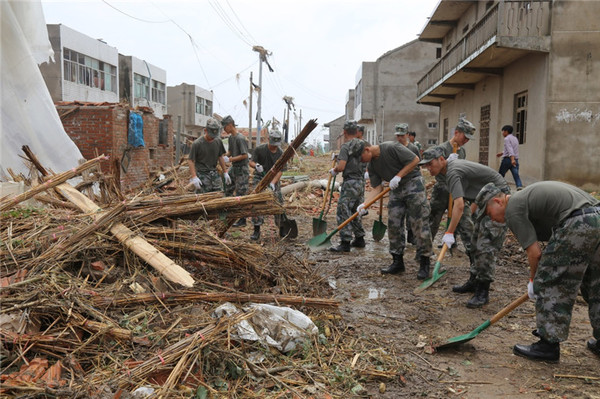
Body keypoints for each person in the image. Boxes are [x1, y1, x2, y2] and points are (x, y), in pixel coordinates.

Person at [480, 181, 600, 362]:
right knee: (595, 283)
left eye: (489, 214)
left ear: (498, 202)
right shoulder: (525, 198)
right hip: (596, 216)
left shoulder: (512, 208)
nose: (492, 220)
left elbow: (535, 254)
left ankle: (547, 346)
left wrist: (534, 281)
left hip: (578, 222)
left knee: (551, 282)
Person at [420, 146, 509, 307]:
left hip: (498, 197)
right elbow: (469, 196)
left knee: (485, 246)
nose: (428, 168)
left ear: (441, 159)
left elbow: (459, 205)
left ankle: (483, 292)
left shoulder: (453, 172)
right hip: (483, 197)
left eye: (430, 164)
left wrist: (449, 232)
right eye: (425, 165)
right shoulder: (446, 173)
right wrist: (474, 219)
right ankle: (474, 281)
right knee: (475, 242)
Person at [359, 140, 433, 279]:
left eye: (361, 158)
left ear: (367, 150)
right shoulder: (372, 165)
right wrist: (365, 204)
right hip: (396, 189)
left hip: (413, 184)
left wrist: (399, 175)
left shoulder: (391, 147)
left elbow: (415, 160)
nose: (362, 162)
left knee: (419, 223)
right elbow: (377, 188)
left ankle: (424, 262)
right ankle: (397, 261)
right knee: (394, 223)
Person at [428, 119, 475, 259]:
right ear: (456, 132)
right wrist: (446, 161)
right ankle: (424, 253)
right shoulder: (441, 149)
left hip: (457, 190)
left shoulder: (463, 151)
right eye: (464, 136)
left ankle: (475, 258)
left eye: (468, 138)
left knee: (467, 223)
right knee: (432, 222)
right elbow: (431, 167)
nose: (466, 140)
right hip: (441, 189)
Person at [329, 121, 366, 252]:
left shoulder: (346, 146)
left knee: (343, 210)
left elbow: (342, 166)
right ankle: (360, 238)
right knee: (356, 210)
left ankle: (345, 242)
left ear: (344, 132)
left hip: (350, 182)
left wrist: (335, 169)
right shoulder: (363, 144)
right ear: (356, 131)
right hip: (361, 182)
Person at [249, 129, 286, 241]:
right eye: (273, 145)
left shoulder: (281, 153)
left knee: (278, 202)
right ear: (268, 140)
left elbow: (281, 170)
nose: (274, 147)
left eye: (276, 145)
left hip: (273, 179)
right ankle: (256, 230)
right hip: (260, 178)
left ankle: (282, 228)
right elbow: (251, 162)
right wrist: (256, 166)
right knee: (256, 202)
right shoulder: (260, 149)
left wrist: (273, 183)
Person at [188, 118, 230, 193]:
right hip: (202, 174)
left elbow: (220, 157)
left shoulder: (218, 141)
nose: (212, 138)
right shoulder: (197, 144)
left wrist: (225, 172)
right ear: (205, 131)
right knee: (203, 198)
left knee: (219, 195)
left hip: (214, 174)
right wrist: (194, 177)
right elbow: (191, 161)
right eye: (211, 135)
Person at [222, 115, 250, 227]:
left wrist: (230, 159)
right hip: (234, 167)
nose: (224, 130)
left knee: (241, 193)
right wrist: (224, 156)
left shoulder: (240, 138)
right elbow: (230, 151)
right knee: (228, 188)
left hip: (242, 168)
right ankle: (229, 213)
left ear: (230, 125)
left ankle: (242, 219)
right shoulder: (231, 138)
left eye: (225, 127)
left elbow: (244, 155)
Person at [395, 123, 420, 245]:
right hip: (398, 184)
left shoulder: (413, 148)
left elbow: (417, 164)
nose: (400, 138)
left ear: (407, 135)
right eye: (398, 135)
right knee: (398, 213)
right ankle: (399, 240)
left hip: (411, 183)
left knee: (412, 211)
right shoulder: (394, 148)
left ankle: (411, 235)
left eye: (402, 135)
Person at [496, 125, 523, 190]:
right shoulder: (515, 138)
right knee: (516, 175)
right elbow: (512, 149)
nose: (502, 133)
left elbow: (510, 149)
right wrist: (502, 153)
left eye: (503, 131)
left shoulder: (507, 139)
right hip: (515, 159)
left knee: (501, 175)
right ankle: (519, 186)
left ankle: (499, 186)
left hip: (508, 159)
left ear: (506, 131)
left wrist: (512, 159)